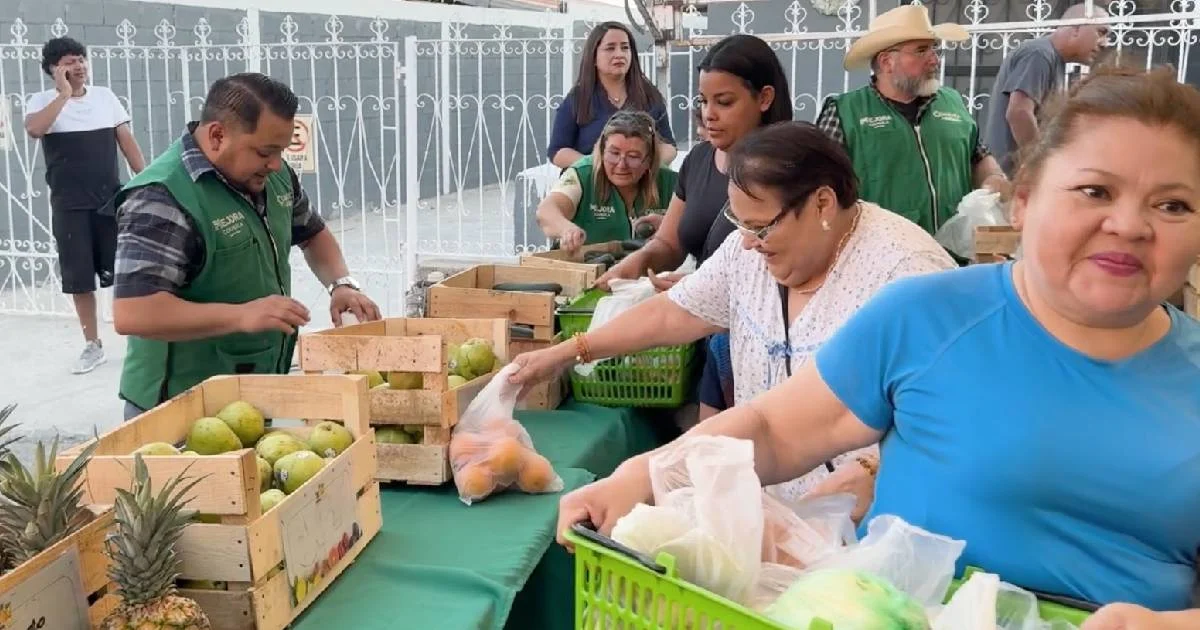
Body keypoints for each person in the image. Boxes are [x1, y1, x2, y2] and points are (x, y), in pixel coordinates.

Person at [554, 66, 1200, 624]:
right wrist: (641, 475)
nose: (1130, 226)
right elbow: (777, 431)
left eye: (1173, 206)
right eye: (1095, 191)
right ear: (1024, 201)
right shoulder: (927, 317)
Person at [512, 121, 956, 518]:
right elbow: (674, 313)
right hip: (768, 512)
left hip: (871, 527)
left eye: (761, 227)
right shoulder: (748, 253)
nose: (748, 243)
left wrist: (871, 469)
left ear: (823, 203)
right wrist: (570, 351)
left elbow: (949, 413)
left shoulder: (908, 274)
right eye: (739, 224)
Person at [111, 73, 381, 420]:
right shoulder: (160, 198)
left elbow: (312, 233)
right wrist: (242, 315)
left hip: (254, 392)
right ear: (217, 135)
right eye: (265, 151)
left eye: (281, 151)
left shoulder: (273, 175)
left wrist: (340, 283)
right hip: (180, 408)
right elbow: (135, 312)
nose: (275, 163)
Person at [816, 4, 1008, 237]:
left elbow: (978, 155)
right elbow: (819, 184)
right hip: (884, 256)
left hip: (954, 256)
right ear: (886, 62)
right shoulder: (844, 112)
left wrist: (994, 178)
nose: (934, 60)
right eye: (921, 50)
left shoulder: (953, 102)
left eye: (934, 50)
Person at [23, 36, 146, 375]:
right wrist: (64, 95)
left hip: (110, 201)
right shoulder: (43, 101)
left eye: (81, 58)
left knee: (126, 272)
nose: (78, 66)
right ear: (53, 70)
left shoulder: (105, 97)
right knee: (79, 280)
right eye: (69, 61)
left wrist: (148, 180)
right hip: (69, 204)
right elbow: (34, 129)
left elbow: (127, 143)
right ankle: (93, 344)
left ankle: (140, 338)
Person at [984, 3, 1110, 175]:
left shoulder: (1053, 60)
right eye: (1101, 32)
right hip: (1011, 176)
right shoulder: (1039, 54)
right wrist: (1040, 165)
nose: (1104, 43)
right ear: (1076, 28)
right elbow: (1019, 113)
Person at [537, 110, 678, 252]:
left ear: (649, 160)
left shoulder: (669, 181)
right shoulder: (583, 173)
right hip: (587, 268)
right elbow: (546, 211)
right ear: (602, 151)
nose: (621, 164)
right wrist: (566, 229)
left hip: (646, 270)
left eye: (633, 156)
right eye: (614, 153)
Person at [547, 22, 675, 169]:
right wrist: (598, 166)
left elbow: (669, 146)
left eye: (625, 48)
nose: (619, 54)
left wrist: (644, 166)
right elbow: (557, 151)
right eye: (610, 48)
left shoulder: (649, 97)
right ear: (594, 57)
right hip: (591, 184)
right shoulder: (578, 99)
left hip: (641, 185)